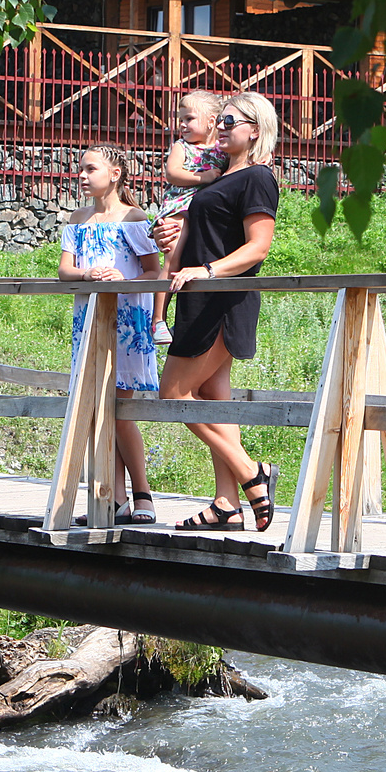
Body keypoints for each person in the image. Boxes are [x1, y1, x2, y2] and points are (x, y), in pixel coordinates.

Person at [155, 91, 284, 532]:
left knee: (171, 394)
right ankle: (225, 503)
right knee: (214, 401)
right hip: (200, 294)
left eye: (232, 121)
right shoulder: (218, 178)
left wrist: (207, 269)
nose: (223, 127)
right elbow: (207, 229)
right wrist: (171, 235)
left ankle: (251, 472)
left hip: (220, 300)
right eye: (221, 121)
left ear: (256, 129)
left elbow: (258, 247)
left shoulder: (257, 178)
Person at [58, 144, 161, 523]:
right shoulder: (78, 219)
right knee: (97, 410)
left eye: (91, 169)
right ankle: (111, 498)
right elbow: (65, 271)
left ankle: (143, 494)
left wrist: (124, 278)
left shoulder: (134, 218)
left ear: (115, 173)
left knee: (119, 411)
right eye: (80, 170)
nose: (82, 177)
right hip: (88, 320)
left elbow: (155, 272)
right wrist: (87, 275)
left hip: (127, 322)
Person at [155, 89, 227, 222]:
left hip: (209, 205)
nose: (182, 124)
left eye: (189, 119)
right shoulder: (182, 146)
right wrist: (203, 177)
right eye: (181, 119)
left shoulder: (222, 149)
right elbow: (172, 173)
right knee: (175, 230)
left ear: (211, 121)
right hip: (181, 203)